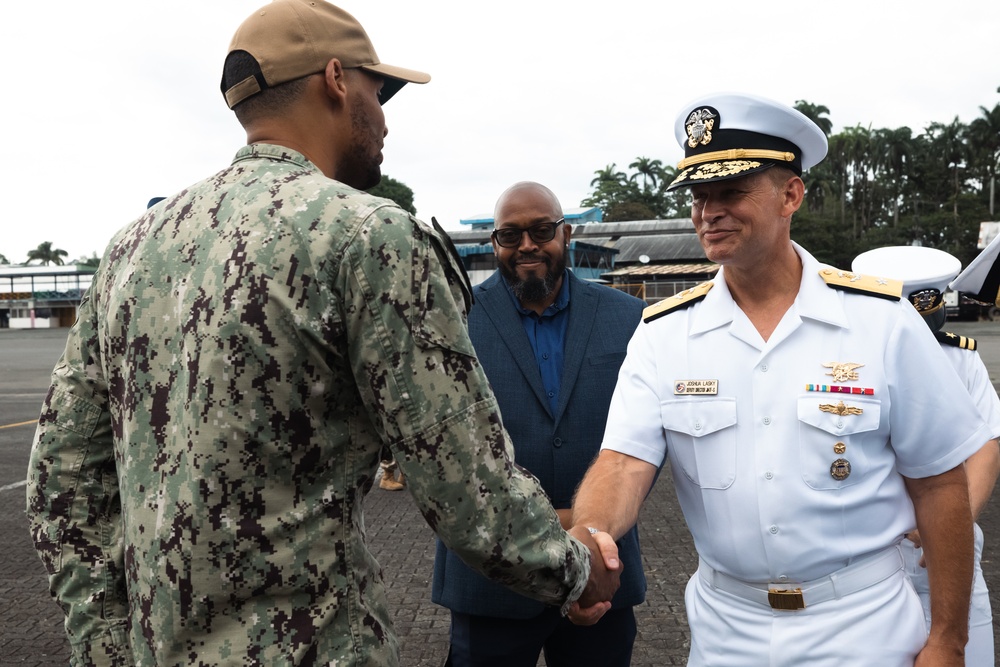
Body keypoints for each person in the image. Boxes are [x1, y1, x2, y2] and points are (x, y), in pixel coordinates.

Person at [24, 2, 620, 665]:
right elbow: (465, 486)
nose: (386, 116)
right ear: (336, 78)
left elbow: (61, 479)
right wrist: (574, 570)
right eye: (379, 90)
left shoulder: (130, 249)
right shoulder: (369, 235)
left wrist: (108, 642)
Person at [570, 92, 992, 666]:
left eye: (730, 192)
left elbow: (940, 484)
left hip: (862, 629)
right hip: (726, 633)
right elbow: (621, 464)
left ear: (790, 193)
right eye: (699, 196)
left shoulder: (882, 321)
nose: (707, 212)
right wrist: (589, 543)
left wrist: (948, 638)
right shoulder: (665, 334)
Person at [431, 182, 647, 666]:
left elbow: (645, 441)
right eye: (510, 235)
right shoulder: (453, 321)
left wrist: (593, 530)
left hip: (602, 570)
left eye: (541, 230)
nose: (526, 245)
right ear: (494, 245)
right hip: (491, 579)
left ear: (565, 234)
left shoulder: (630, 318)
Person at [852, 245, 1000, 667]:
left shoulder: (958, 357)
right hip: (870, 555)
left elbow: (987, 445)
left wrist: (954, 520)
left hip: (946, 554)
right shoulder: (845, 361)